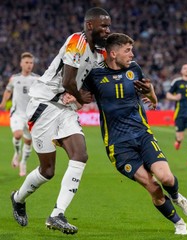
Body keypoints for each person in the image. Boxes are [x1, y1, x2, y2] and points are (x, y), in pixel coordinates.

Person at [72, 33, 187, 235]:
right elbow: (81, 100)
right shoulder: (94, 75)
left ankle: (176, 197)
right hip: (118, 145)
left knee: (166, 178)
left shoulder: (134, 69)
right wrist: (71, 100)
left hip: (142, 134)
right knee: (153, 187)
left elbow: (149, 94)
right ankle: (179, 223)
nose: (132, 54)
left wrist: (152, 96)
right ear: (113, 53)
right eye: (127, 50)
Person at [10, 7, 111, 235]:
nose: (107, 30)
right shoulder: (77, 41)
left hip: (65, 109)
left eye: (108, 26)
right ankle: (18, 198)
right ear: (89, 26)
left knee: (80, 155)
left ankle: (57, 214)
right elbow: (67, 81)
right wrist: (80, 96)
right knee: (47, 171)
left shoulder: (99, 54)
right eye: (103, 26)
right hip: (44, 105)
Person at [0, 52, 39, 176]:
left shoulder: (37, 79)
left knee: (28, 141)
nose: (29, 65)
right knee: (17, 134)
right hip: (17, 113)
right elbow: (8, 91)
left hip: (31, 115)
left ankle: (23, 162)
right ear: (21, 64)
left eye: (31, 63)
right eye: (26, 62)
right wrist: (3, 102)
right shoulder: (14, 78)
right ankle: (17, 153)